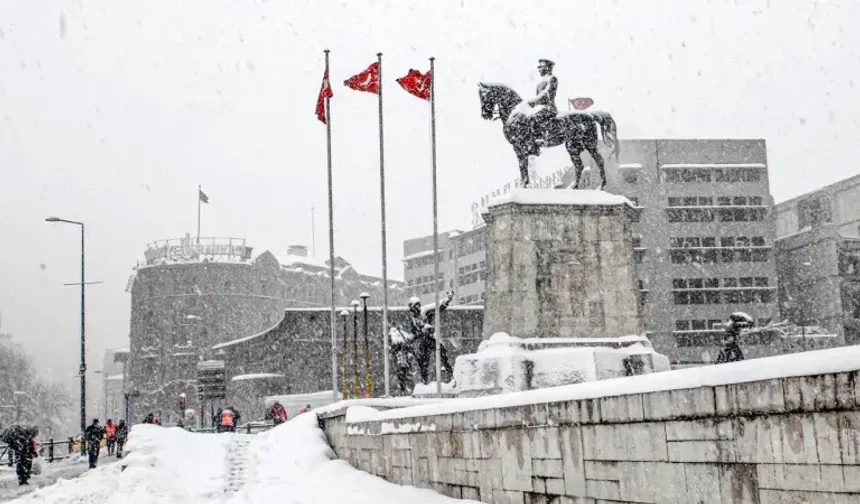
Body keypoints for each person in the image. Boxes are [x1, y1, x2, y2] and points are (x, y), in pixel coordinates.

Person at [408, 291, 454, 385]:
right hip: (423, 341)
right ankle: (425, 381)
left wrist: (447, 300)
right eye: (415, 306)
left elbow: (437, 307)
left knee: (442, 354)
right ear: (412, 307)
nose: (418, 307)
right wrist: (411, 338)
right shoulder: (413, 319)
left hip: (431, 338)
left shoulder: (424, 311)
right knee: (423, 362)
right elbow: (414, 332)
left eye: (418, 305)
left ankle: (450, 374)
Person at [527, 58, 559, 147]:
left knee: (533, 117)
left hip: (548, 107)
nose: (538, 69)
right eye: (538, 67)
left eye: (540, 67)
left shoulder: (552, 79)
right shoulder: (541, 80)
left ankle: (540, 138)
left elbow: (547, 93)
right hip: (540, 107)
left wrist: (535, 101)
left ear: (547, 68)